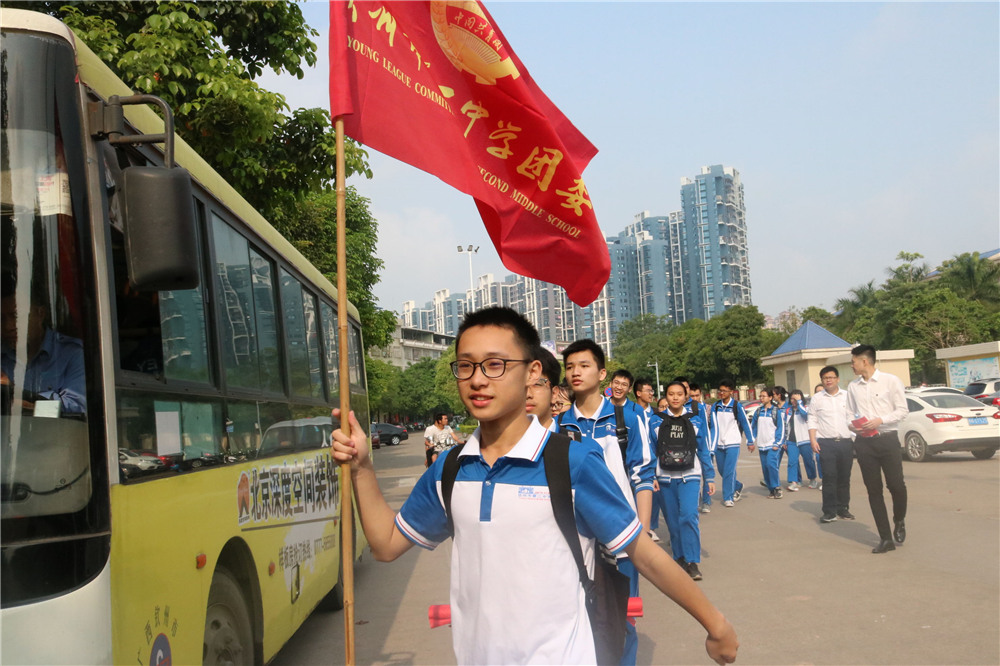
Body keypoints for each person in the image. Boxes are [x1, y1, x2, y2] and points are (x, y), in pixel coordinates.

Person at [329, 307, 739, 665]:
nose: (477, 380)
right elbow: (384, 544)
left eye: (495, 365)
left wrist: (714, 622)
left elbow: (643, 553)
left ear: (532, 372)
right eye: (466, 366)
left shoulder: (571, 462)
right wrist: (363, 468)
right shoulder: (451, 470)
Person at [559, 340, 654, 665]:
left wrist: (640, 530)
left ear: (602, 373)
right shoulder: (558, 426)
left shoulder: (627, 418)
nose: (575, 372)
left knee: (623, 619)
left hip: (621, 535)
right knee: (580, 618)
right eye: (570, 366)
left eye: (583, 365)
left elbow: (642, 475)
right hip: (576, 540)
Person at [649, 381, 715, 580]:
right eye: (671, 394)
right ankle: (679, 557)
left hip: (690, 475)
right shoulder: (654, 420)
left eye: (679, 394)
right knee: (673, 521)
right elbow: (650, 450)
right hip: (664, 477)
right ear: (666, 396)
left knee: (688, 516)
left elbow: (704, 448)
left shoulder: (695, 418)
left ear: (686, 396)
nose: (675, 397)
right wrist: (651, 475)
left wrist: (709, 476)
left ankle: (692, 561)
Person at [846, 345, 909, 554]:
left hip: (888, 440)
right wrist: (853, 425)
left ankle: (899, 519)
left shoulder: (891, 381)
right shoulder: (853, 387)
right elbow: (849, 414)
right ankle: (885, 538)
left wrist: (880, 420)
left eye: (853, 361)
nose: (852, 365)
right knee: (874, 490)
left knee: (896, 485)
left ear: (865, 361)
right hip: (864, 443)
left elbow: (902, 410)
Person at [0, 292, 85, 415]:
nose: (8, 327)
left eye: (16, 316)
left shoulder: (72, 354)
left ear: (40, 314)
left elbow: (77, 410)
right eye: (1, 319)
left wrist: (13, 394)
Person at [807, 366, 855, 524]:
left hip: (845, 442)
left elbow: (854, 417)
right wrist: (813, 440)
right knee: (829, 477)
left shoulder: (847, 396)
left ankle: (843, 508)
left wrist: (855, 438)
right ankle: (829, 511)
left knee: (844, 477)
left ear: (838, 379)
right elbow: (812, 419)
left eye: (831, 377)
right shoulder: (817, 398)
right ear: (822, 380)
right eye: (825, 378)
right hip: (826, 443)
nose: (828, 380)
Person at [708, 380, 754, 507]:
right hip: (719, 444)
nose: (721, 393)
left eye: (724, 391)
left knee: (729, 471)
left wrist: (750, 441)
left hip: (732, 442)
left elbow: (745, 423)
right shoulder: (715, 406)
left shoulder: (737, 406)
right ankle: (738, 485)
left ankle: (728, 497)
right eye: (720, 390)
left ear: (731, 392)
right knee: (722, 471)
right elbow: (713, 426)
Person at [633, 377, 664, 542]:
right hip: (637, 458)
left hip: (655, 458)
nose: (652, 394)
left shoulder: (655, 414)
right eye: (648, 391)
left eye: (652, 391)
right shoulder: (630, 412)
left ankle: (650, 527)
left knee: (655, 494)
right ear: (638, 393)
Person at [749, 388, 784, 499]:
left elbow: (781, 428)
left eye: (764, 396)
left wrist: (777, 443)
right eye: (760, 396)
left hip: (772, 445)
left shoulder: (776, 411)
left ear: (770, 398)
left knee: (771, 465)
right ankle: (771, 489)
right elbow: (753, 427)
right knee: (765, 468)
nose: (761, 398)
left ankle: (777, 487)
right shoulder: (758, 411)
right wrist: (751, 440)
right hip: (761, 445)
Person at [783, 390, 816, 490]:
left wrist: (800, 403)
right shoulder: (788, 410)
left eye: (795, 399)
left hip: (805, 439)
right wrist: (785, 440)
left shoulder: (806, 408)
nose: (793, 401)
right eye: (792, 398)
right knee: (792, 461)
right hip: (792, 441)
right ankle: (794, 482)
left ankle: (812, 479)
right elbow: (785, 426)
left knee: (808, 461)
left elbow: (805, 416)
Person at [526, 346, 561, 431]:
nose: (527, 394)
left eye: (537, 384)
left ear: (554, 393)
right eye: (519, 385)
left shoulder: (576, 443)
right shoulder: (492, 444)